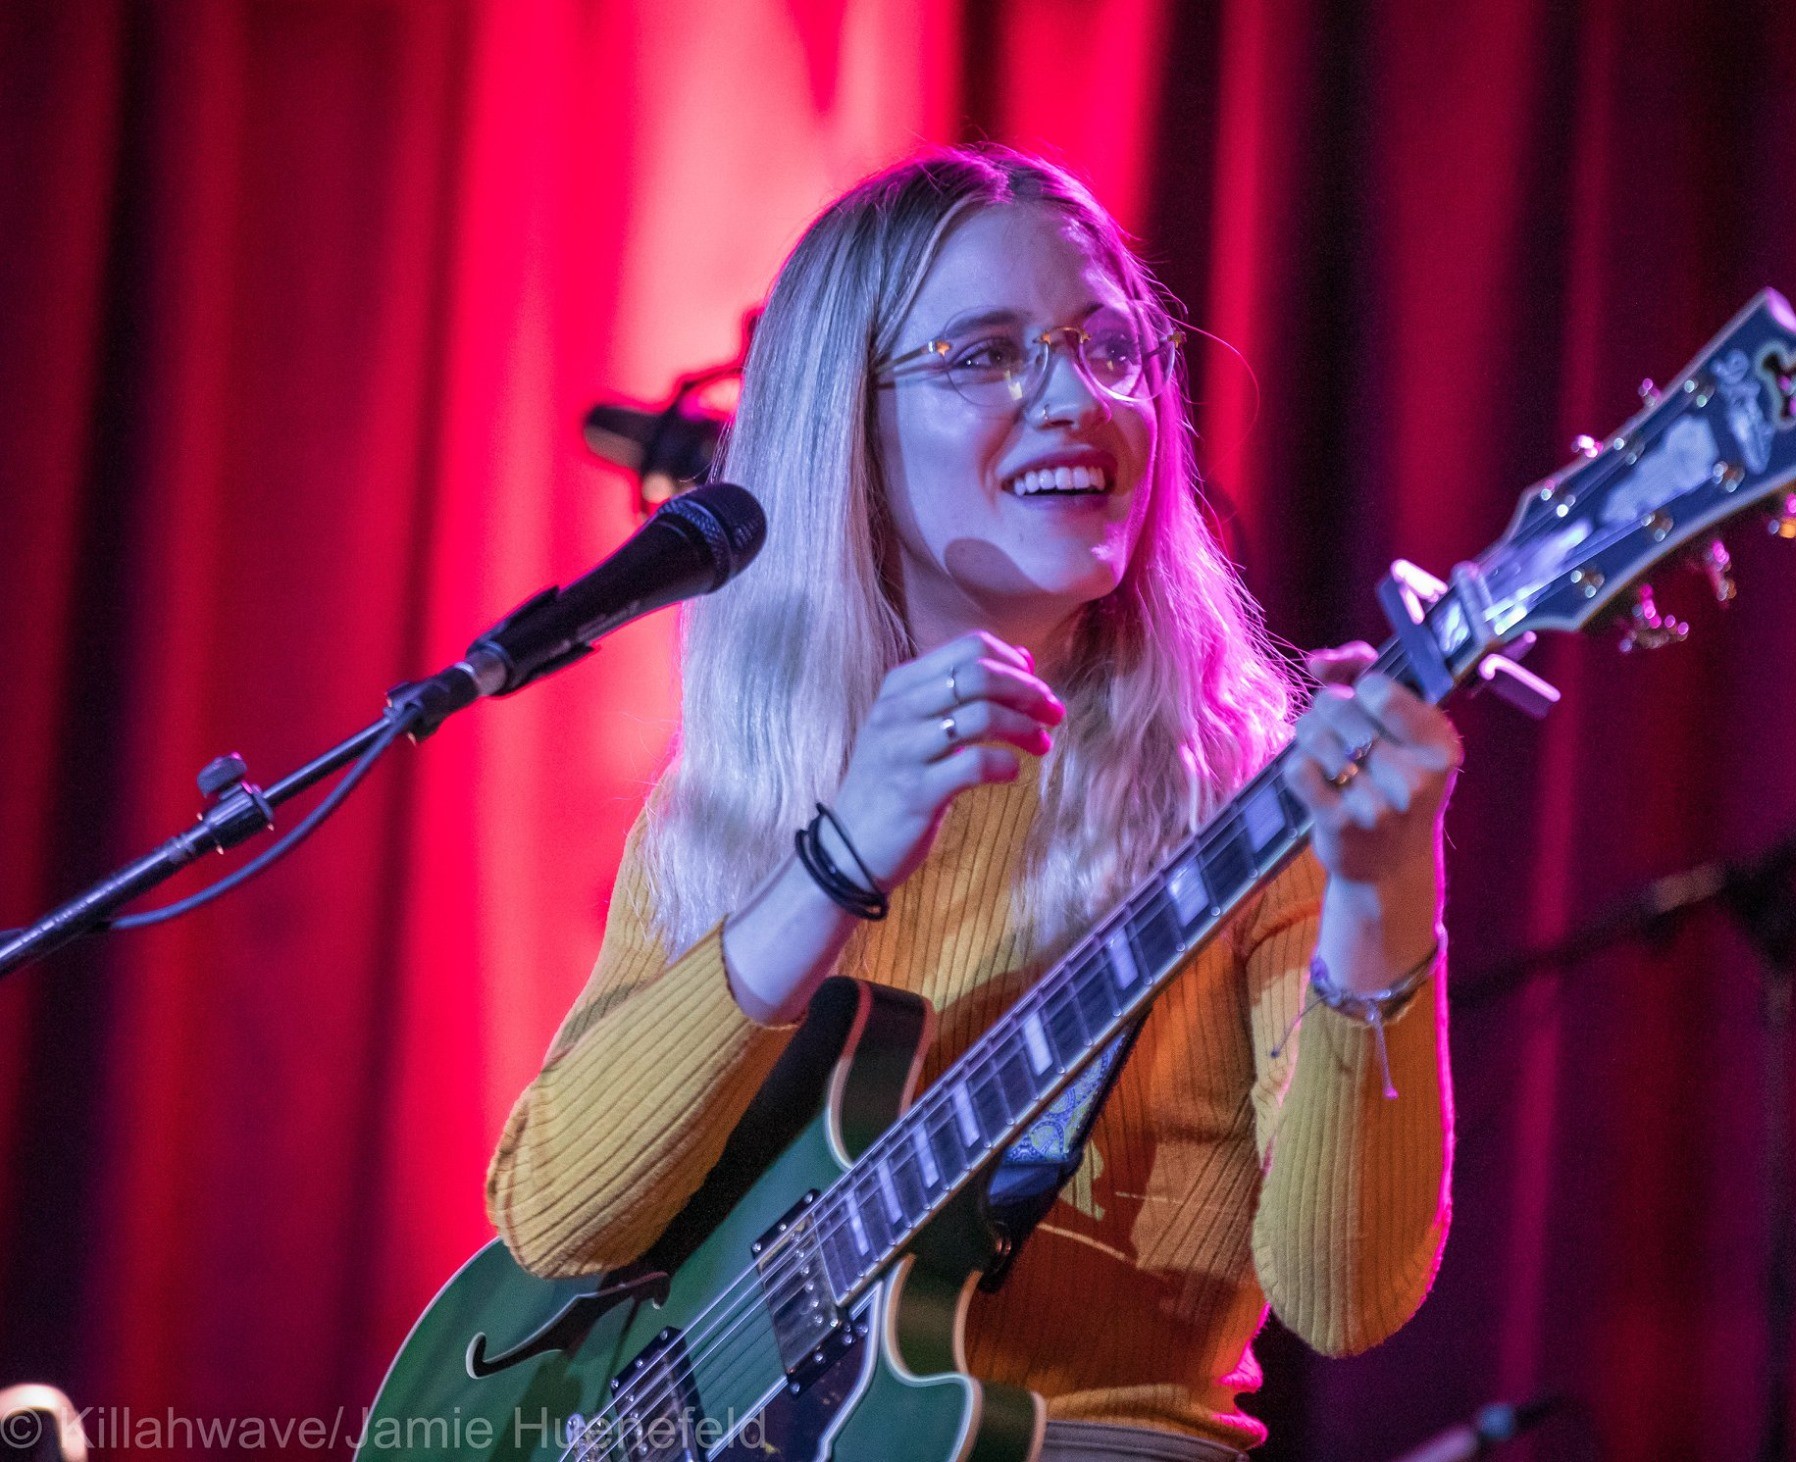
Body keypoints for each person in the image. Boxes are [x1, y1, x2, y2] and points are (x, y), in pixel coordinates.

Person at [486, 145, 1460, 1462]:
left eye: (1109, 349)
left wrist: (1384, 897)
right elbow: (557, 1221)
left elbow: (1343, 1299)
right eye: (987, 355)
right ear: (845, 427)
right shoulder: (735, 798)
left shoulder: (1252, 792)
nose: (1079, 400)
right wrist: (834, 862)